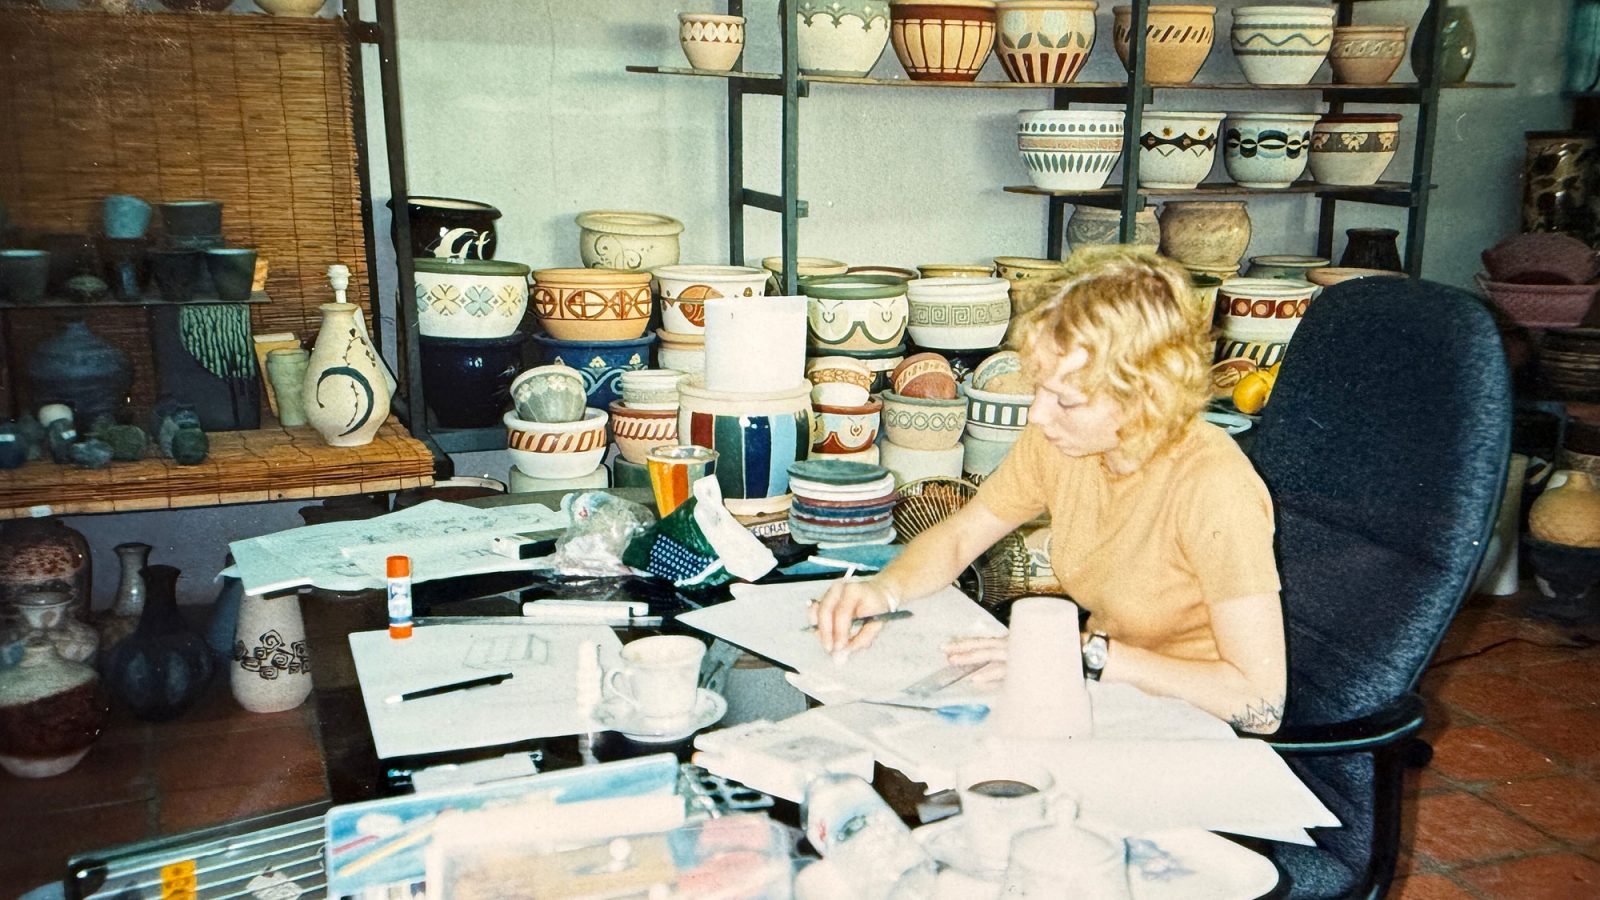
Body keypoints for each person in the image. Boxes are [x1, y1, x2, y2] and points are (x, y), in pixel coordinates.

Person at [810, 250, 1287, 733]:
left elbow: (1263, 705)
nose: (1037, 415)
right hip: (1107, 696)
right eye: (1040, 388)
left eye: (1066, 400)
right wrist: (883, 590)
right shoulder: (1062, 443)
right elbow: (961, 536)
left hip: (1192, 729)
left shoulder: (1215, 487)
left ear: (1145, 397)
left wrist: (1085, 657)